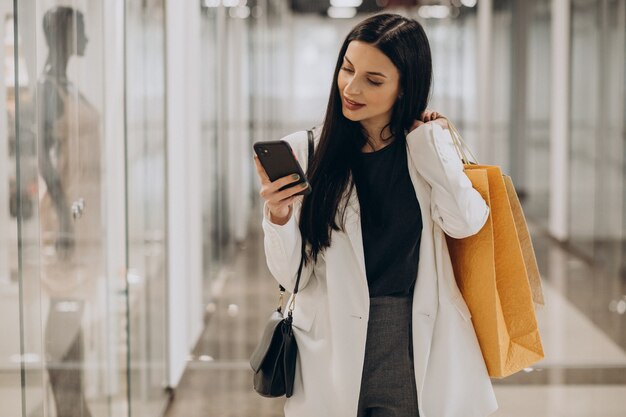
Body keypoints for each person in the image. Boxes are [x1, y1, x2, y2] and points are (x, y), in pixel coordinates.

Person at [253, 13, 497, 417]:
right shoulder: (307, 152)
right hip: (330, 341)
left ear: (405, 88)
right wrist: (278, 215)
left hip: (413, 337)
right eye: (347, 69)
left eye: (374, 79)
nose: (351, 87)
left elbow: (466, 222)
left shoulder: (425, 150)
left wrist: (432, 143)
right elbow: (291, 275)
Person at [38, 7, 101, 417]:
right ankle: (67, 408)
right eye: (82, 30)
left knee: (74, 311)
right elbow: (42, 157)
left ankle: (76, 406)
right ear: (64, 36)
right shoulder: (48, 89)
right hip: (70, 215)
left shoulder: (67, 86)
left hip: (83, 211)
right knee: (64, 312)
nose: (88, 38)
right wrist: (64, 216)